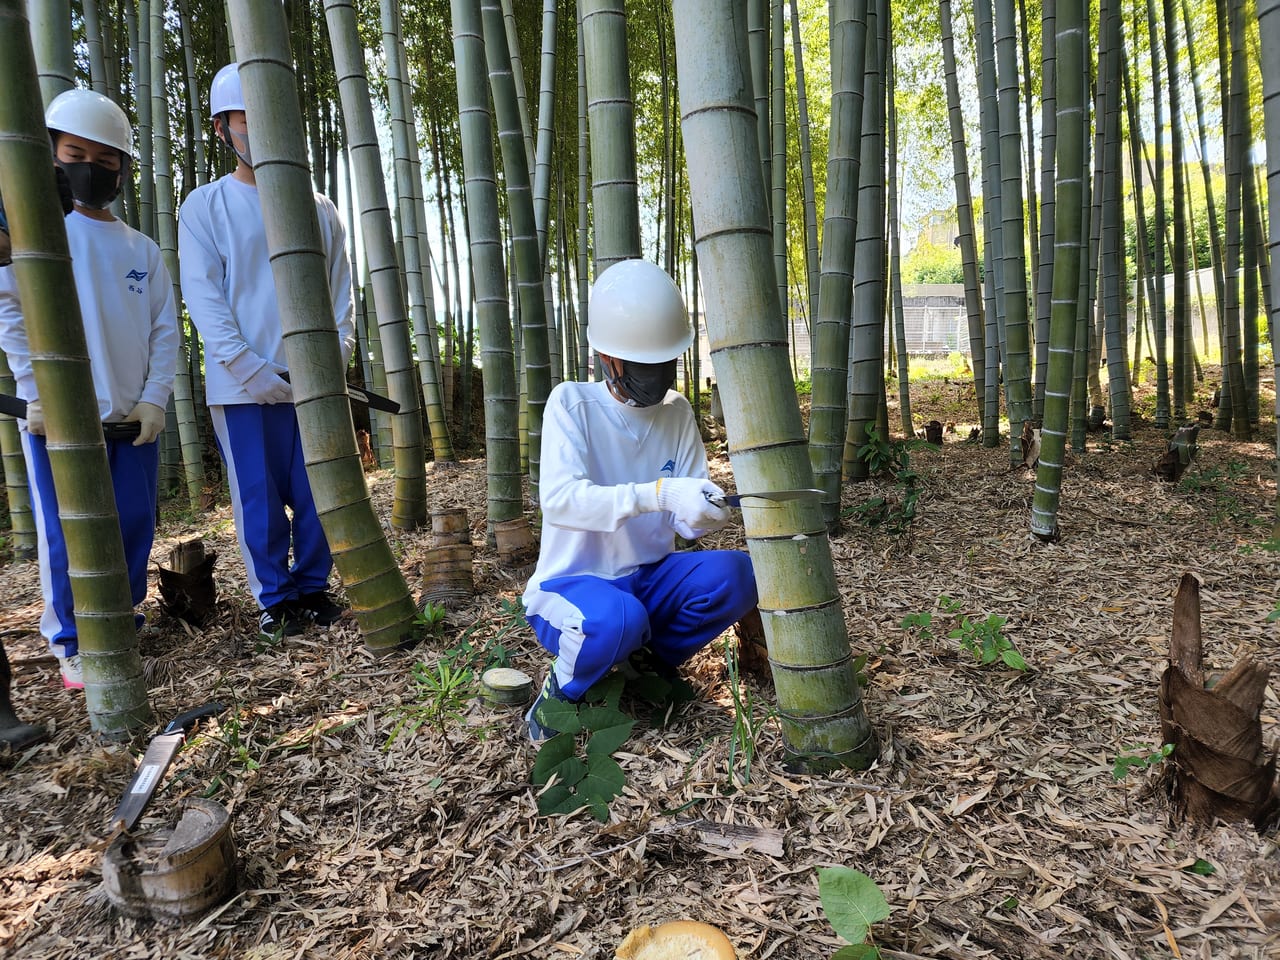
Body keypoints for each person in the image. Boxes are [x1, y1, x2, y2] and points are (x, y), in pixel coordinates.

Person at [522, 259, 759, 742]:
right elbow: (563, 501)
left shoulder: (677, 412)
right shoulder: (571, 403)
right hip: (571, 583)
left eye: (664, 361)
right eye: (643, 363)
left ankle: (642, 667)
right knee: (616, 618)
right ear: (607, 357)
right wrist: (658, 493)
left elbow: (686, 519)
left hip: (649, 575)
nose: (656, 374)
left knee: (740, 574)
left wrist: (705, 514)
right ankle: (560, 694)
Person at [0, 89, 178, 690]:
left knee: (133, 521)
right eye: (76, 153)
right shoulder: (31, 234)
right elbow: (12, 314)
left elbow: (163, 330)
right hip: (60, 420)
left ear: (124, 169)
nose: (91, 169)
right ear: (48, 153)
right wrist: (36, 392)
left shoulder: (142, 249)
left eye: (108, 161)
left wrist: (155, 398)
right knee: (64, 531)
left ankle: (122, 615)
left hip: (131, 416)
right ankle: (72, 639)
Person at [179, 63, 355, 642]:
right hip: (241, 386)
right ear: (221, 128)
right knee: (256, 498)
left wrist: (333, 363)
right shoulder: (204, 207)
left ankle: (311, 587)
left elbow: (340, 296)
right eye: (244, 117)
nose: (258, 128)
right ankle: (273, 600)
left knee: (315, 492)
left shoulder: (321, 206)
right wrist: (247, 368)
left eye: (268, 115)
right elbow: (204, 297)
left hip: (313, 384)